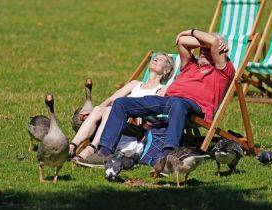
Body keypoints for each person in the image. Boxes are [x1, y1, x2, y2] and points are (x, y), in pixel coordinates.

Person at [78, 29, 235, 167]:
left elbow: (213, 42)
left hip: (194, 107)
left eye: (206, 49)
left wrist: (205, 39)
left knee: (177, 103)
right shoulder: (190, 66)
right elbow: (182, 41)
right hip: (167, 102)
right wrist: (188, 33)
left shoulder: (222, 71)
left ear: (219, 52)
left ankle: (168, 155)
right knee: (121, 103)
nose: (202, 51)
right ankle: (104, 152)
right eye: (201, 48)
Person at [68, 53, 175, 164]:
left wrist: (138, 115)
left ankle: (91, 148)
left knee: (110, 111)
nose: (156, 59)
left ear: (166, 70)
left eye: (161, 59)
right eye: (155, 57)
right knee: (99, 109)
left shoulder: (161, 89)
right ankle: (72, 146)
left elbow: (156, 110)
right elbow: (111, 99)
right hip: (119, 121)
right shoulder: (135, 84)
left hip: (137, 128)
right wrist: (94, 111)